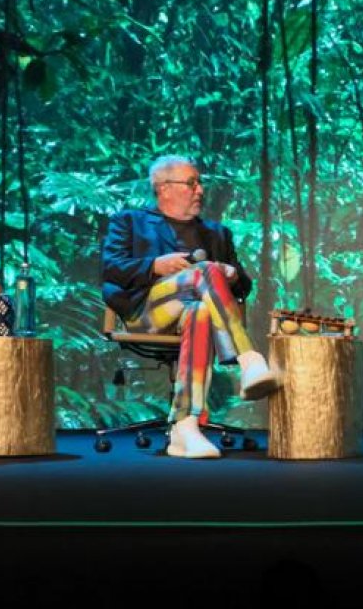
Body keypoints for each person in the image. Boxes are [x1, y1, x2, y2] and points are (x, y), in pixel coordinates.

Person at [102, 155, 279, 459]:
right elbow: (112, 268)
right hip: (147, 313)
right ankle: (249, 360)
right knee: (205, 272)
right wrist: (155, 265)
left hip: (197, 314)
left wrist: (232, 274)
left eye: (199, 182)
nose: (200, 189)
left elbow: (244, 286)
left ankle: (186, 426)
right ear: (164, 188)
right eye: (191, 183)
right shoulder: (130, 221)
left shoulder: (217, 233)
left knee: (199, 310)